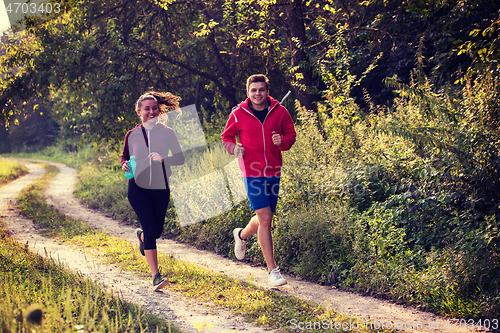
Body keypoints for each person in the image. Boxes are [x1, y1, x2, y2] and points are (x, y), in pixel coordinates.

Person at [221, 74, 296, 287]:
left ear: (267, 91)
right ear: (248, 92)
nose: (257, 94)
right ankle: (272, 271)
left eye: (261, 89)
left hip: (273, 170)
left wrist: (282, 141)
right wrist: (234, 148)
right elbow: (226, 137)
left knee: (266, 217)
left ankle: (242, 235)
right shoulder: (238, 114)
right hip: (251, 172)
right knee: (265, 218)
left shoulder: (280, 112)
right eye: (253, 90)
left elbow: (291, 135)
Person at [121, 91, 185, 291]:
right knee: (151, 230)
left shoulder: (167, 132)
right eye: (147, 109)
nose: (151, 112)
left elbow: (180, 158)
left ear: (159, 110)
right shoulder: (131, 135)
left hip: (160, 187)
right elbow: (124, 157)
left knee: (155, 232)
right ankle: (156, 276)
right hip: (138, 188)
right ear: (139, 111)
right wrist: (124, 165)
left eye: (154, 108)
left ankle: (142, 237)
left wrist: (163, 159)